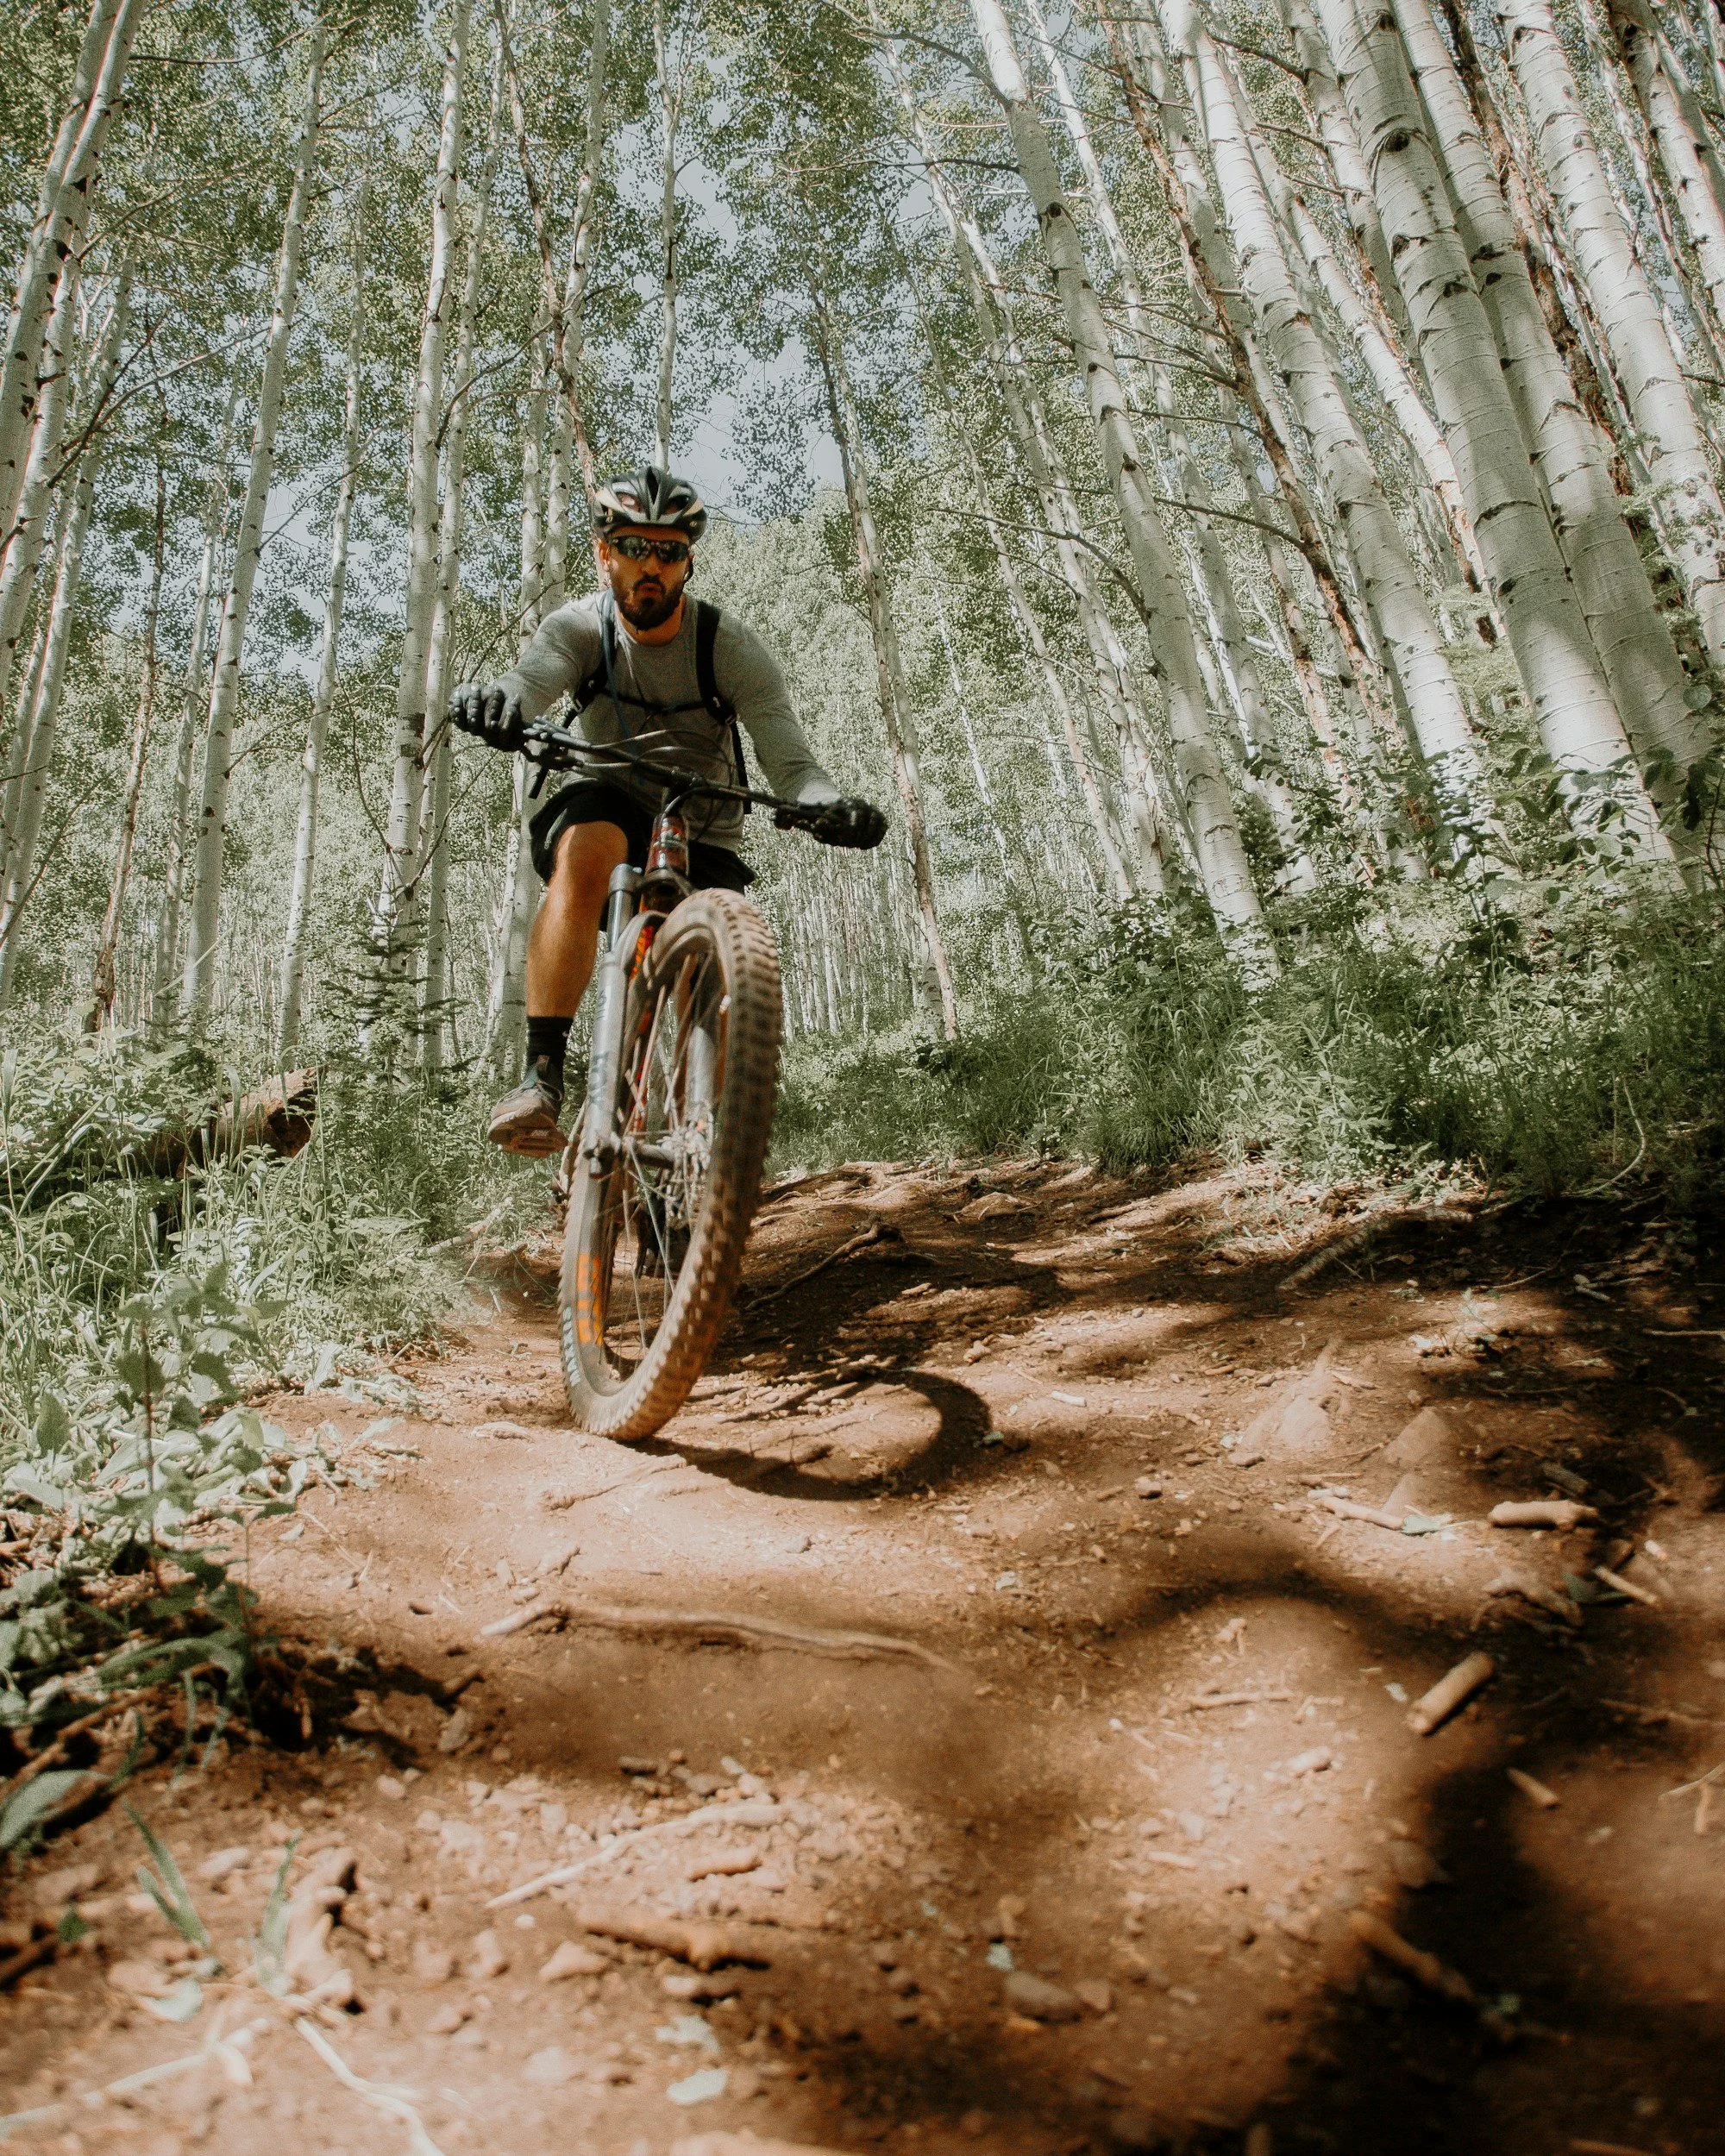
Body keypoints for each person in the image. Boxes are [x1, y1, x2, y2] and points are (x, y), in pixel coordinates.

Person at [448, 462, 888, 1154]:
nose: (650, 566)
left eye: (669, 551)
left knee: (717, 980)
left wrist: (833, 808)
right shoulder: (579, 629)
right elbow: (531, 680)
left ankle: (703, 1151)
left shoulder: (729, 646)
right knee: (589, 842)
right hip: (611, 802)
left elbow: (794, 765)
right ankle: (542, 1075)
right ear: (604, 555)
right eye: (633, 547)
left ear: (687, 563)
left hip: (705, 826)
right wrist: (502, 703)